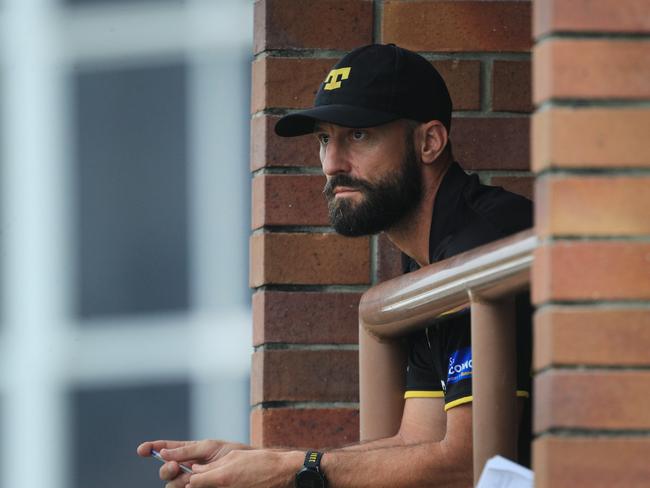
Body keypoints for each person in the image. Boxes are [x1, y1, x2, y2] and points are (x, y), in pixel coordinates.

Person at [137, 43, 532, 488]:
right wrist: (267, 462)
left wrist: (292, 471)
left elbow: (467, 464)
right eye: (326, 139)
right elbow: (418, 443)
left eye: (358, 135)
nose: (331, 164)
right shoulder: (433, 259)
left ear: (429, 141)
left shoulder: (481, 244)